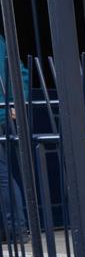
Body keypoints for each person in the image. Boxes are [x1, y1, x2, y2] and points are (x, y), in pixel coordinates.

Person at [0, 36, 28, 242]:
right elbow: (21, 71)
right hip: (4, 113)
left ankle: (15, 227)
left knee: (2, 175)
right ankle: (13, 227)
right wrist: (20, 100)